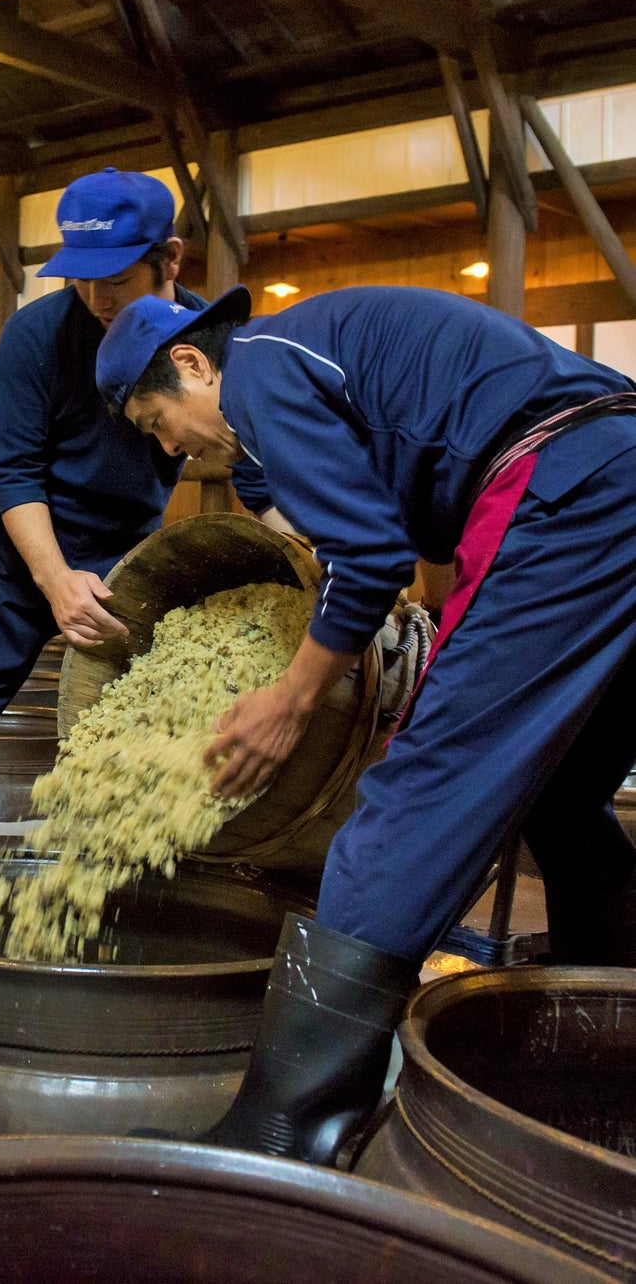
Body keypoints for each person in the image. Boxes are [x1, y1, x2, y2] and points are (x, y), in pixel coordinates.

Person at [95, 282, 636, 1164]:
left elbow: (371, 557)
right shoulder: (303, 368)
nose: (168, 448)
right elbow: (371, 534)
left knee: (414, 798)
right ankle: (605, 1054)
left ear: (192, 363)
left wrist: (291, 698)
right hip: (614, 470)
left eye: (158, 421)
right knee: (564, 792)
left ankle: (289, 1129)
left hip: (571, 493)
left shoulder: (260, 372)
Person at [0, 168, 209, 842]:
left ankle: (118, 877)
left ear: (169, 259)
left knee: (141, 721)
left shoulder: (208, 339)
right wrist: (53, 580)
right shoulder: (35, 337)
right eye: (82, 277)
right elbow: (15, 474)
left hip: (126, 556)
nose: (98, 297)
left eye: (117, 279)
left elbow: (246, 443)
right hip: (12, 556)